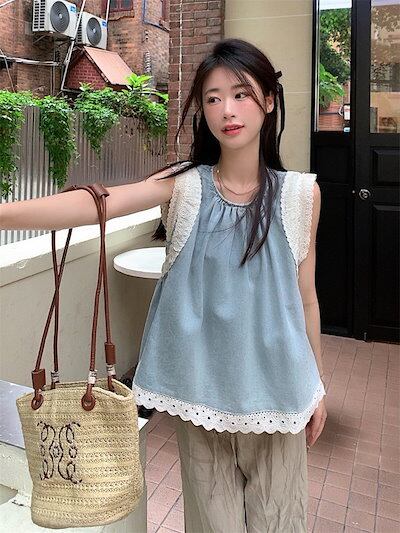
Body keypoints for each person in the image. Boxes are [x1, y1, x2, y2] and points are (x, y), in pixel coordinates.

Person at [1, 38, 327, 532]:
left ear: (268, 100)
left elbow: (306, 298)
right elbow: (99, 203)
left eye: (240, 94)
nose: (226, 109)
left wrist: (317, 387)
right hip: (200, 400)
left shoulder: (301, 195)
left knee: (282, 524)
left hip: (280, 399)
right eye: (213, 98)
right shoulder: (186, 187)